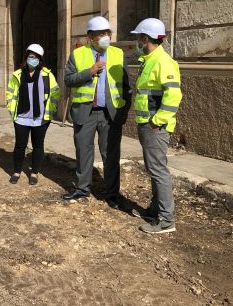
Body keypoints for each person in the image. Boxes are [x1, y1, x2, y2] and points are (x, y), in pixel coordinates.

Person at [63, 16, 131, 208]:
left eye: (107, 33)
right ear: (90, 37)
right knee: (84, 152)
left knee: (110, 154)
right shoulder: (77, 54)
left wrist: (123, 111)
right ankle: (82, 188)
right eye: (101, 34)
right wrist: (89, 72)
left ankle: (112, 194)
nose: (106, 37)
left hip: (110, 114)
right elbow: (68, 80)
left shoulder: (118, 54)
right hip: (85, 112)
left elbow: (127, 86)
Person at [131, 18, 182, 234]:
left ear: (145, 38)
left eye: (138, 38)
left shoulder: (163, 62)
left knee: (158, 170)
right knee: (153, 169)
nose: (137, 42)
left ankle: (166, 219)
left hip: (155, 127)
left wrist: (157, 121)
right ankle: (155, 210)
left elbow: (174, 95)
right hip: (147, 124)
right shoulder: (149, 59)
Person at [6, 44, 60, 185]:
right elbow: (10, 92)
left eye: (36, 58)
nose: (33, 60)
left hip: (40, 118)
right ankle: (16, 172)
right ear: (26, 57)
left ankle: (34, 173)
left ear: (40, 60)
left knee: (38, 146)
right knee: (20, 146)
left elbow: (55, 93)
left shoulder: (47, 75)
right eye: (31, 57)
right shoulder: (17, 75)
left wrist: (50, 110)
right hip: (21, 118)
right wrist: (11, 109)